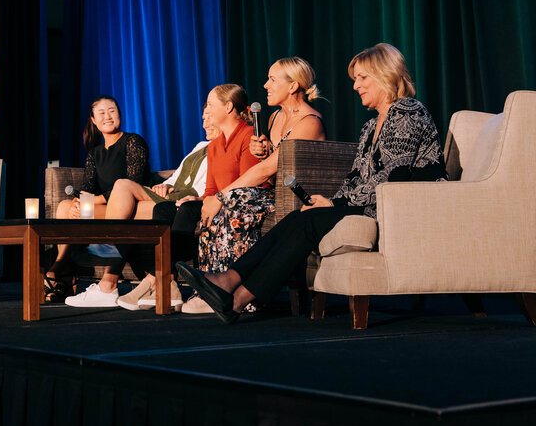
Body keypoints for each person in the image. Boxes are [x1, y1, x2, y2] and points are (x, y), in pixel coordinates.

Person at [178, 43, 447, 323]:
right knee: (300, 216)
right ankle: (232, 292)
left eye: (362, 78)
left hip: (405, 206)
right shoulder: (370, 126)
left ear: (385, 75)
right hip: (376, 203)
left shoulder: (407, 112)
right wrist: (329, 201)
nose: (356, 86)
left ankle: (233, 290)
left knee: (307, 221)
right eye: (355, 79)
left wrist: (333, 204)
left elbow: (392, 177)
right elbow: (355, 178)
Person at [197, 57, 326, 278]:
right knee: (227, 204)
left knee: (234, 199)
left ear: (293, 85)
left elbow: (268, 169)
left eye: (272, 80)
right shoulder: (275, 117)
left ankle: (230, 284)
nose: (266, 85)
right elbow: (273, 162)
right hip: (273, 194)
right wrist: (264, 149)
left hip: (294, 199)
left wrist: (220, 195)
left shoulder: (310, 122)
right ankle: (209, 281)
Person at [144, 84, 261, 313]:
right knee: (164, 210)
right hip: (216, 197)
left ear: (228, 107)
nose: (206, 110)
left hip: (239, 200)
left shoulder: (249, 136)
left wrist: (212, 199)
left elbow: (249, 184)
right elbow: (209, 189)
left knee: (187, 211)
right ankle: (166, 278)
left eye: (210, 104)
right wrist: (200, 200)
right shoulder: (215, 145)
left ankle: (160, 280)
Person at [108, 112, 221, 311]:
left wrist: (195, 196)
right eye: (203, 118)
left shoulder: (225, 147)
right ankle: (163, 283)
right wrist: (165, 185)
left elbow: (212, 184)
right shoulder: (201, 146)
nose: (205, 124)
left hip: (190, 195)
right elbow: (177, 175)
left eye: (210, 117)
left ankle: (112, 277)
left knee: (125, 191)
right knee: (122, 188)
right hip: (172, 192)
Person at [45, 95, 151, 306]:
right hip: (104, 207)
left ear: (120, 114)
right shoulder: (95, 153)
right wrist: (78, 204)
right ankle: (62, 266)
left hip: (131, 205)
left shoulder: (133, 141)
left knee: (96, 203)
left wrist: (93, 201)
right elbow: (87, 189)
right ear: (93, 120)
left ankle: (59, 274)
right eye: (101, 113)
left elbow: (132, 183)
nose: (107, 116)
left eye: (112, 110)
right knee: (66, 206)